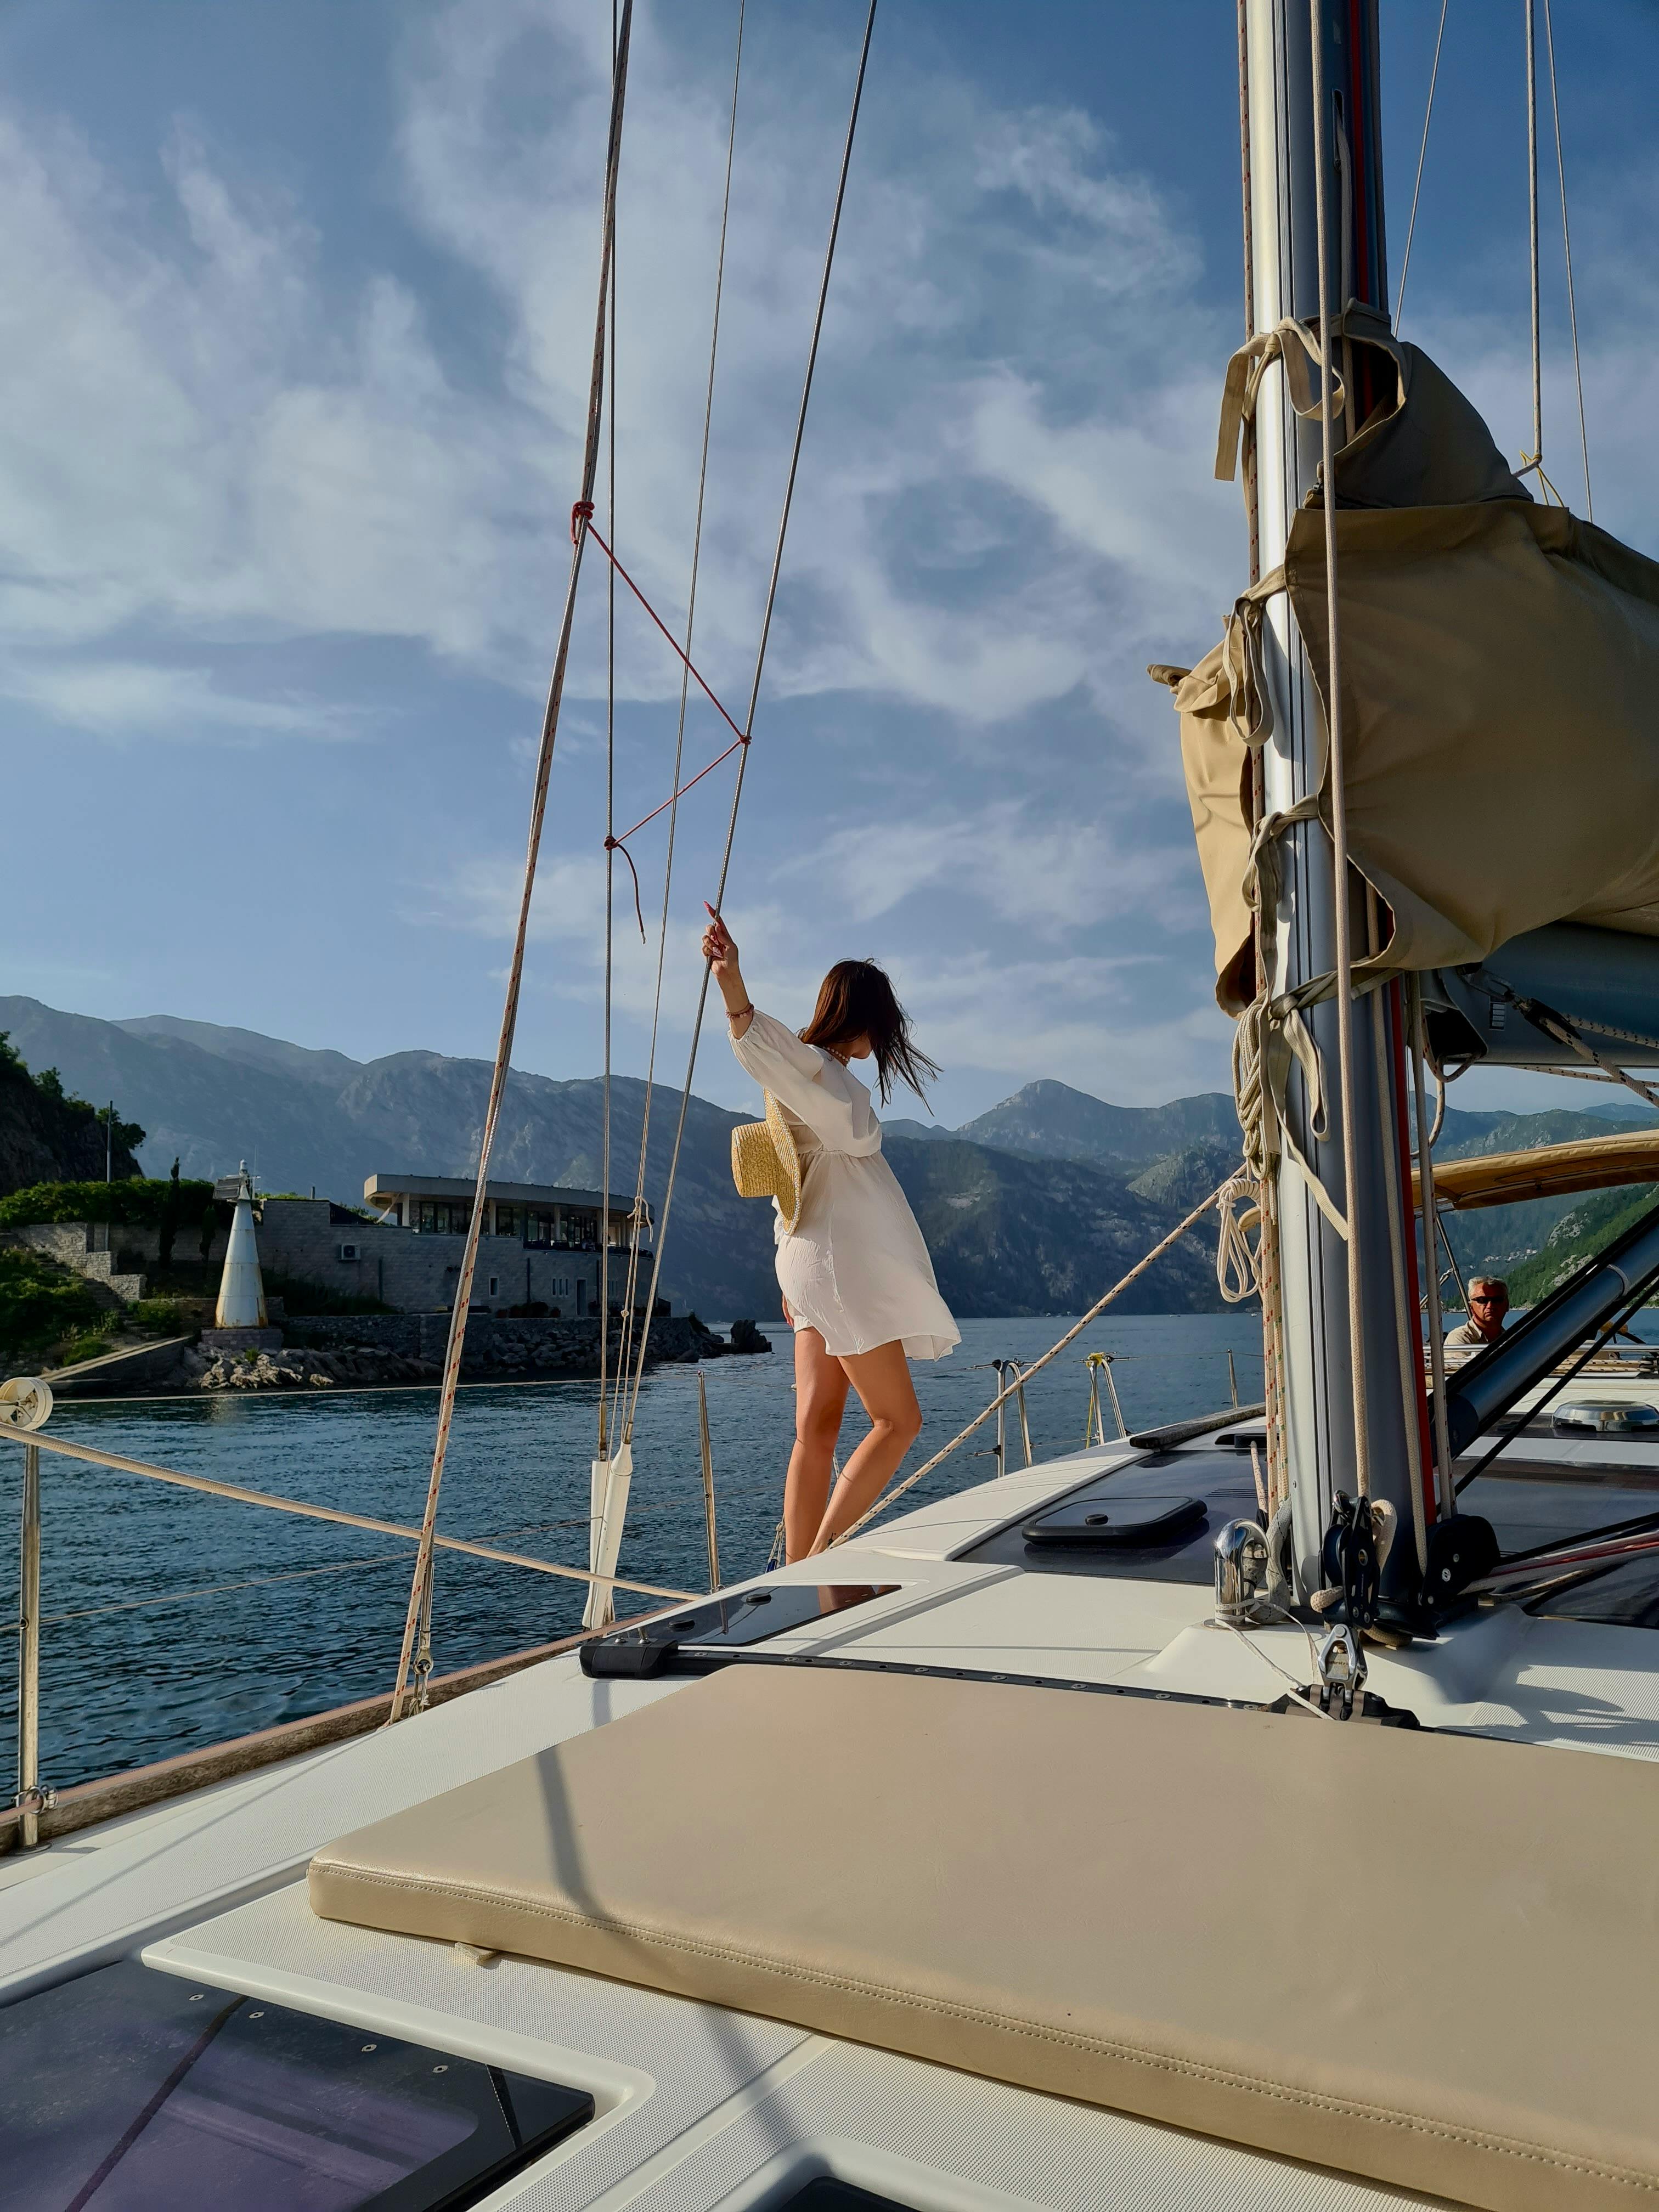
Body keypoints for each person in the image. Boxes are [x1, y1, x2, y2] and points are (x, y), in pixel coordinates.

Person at [702, 912, 960, 1559]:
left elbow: (794, 1178)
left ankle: (792, 1571)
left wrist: (790, 1275)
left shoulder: (818, 1076)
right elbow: (755, 1040)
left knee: (816, 1428)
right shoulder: (816, 1069)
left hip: (804, 1260)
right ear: (861, 1016)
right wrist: (732, 983)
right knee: (898, 1422)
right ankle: (819, 1562)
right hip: (838, 1266)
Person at [1444, 1276, 1510, 1349]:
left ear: (1507, 1305)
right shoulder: (1459, 1339)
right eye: (1482, 1300)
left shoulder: (1513, 1338)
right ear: (1471, 1307)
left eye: (1497, 1300)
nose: (1490, 1306)